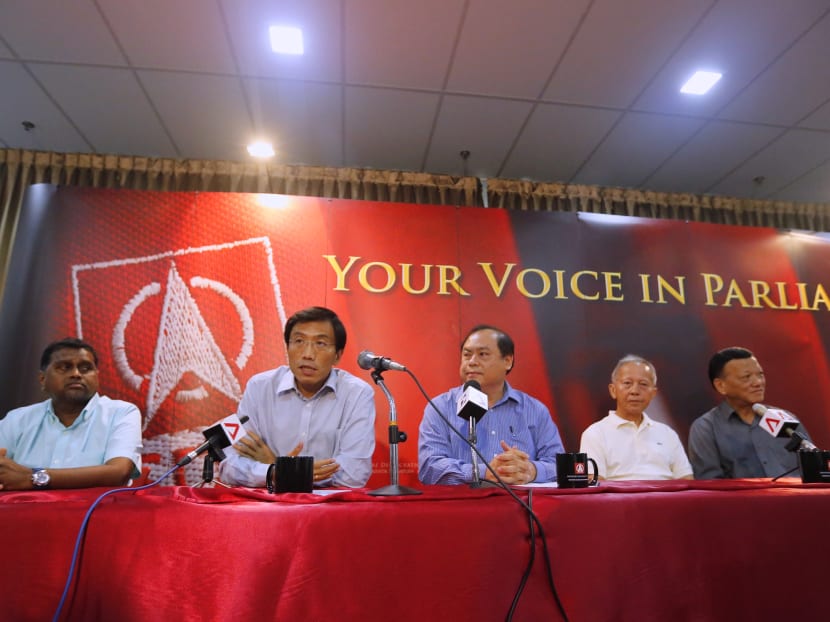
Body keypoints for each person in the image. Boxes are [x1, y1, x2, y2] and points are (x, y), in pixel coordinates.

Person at [221, 306, 376, 488]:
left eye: (320, 344)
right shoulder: (259, 388)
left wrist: (283, 470)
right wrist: (276, 472)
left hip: (328, 511)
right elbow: (229, 466)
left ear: (337, 355)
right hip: (268, 508)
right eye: (299, 341)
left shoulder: (356, 394)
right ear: (287, 347)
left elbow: (354, 474)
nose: (308, 354)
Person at [418, 325, 564, 485]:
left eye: (483, 354)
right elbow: (429, 468)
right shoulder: (440, 408)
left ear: (507, 361)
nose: (472, 362)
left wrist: (530, 470)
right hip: (462, 506)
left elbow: (559, 465)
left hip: (521, 506)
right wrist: (483, 472)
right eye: (467, 355)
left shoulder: (535, 410)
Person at [0, 338, 142, 490]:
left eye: (86, 368)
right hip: (23, 510)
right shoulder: (16, 420)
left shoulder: (121, 413)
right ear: (42, 379)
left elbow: (118, 473)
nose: (76, 374)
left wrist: (32, 478)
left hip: (94, 511)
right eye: (64, 367)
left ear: (97, 376)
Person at [688, 346, 811, 479]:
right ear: (721, 386)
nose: (758, 382)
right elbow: (710, 484)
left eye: (760, 375)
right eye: (746, 377)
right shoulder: (706, 428)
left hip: (795, 497)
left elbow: (812, 467)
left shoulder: (784, 419)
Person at [579, 355, 692, 481]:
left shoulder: (667, 433)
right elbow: (595, 485)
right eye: (627, 383)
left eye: (643, 384)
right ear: (613, 390)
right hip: (619, 500)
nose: (635, 391)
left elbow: (686, 479)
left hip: (667, 499)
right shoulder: (595, 434)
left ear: (653, 393)